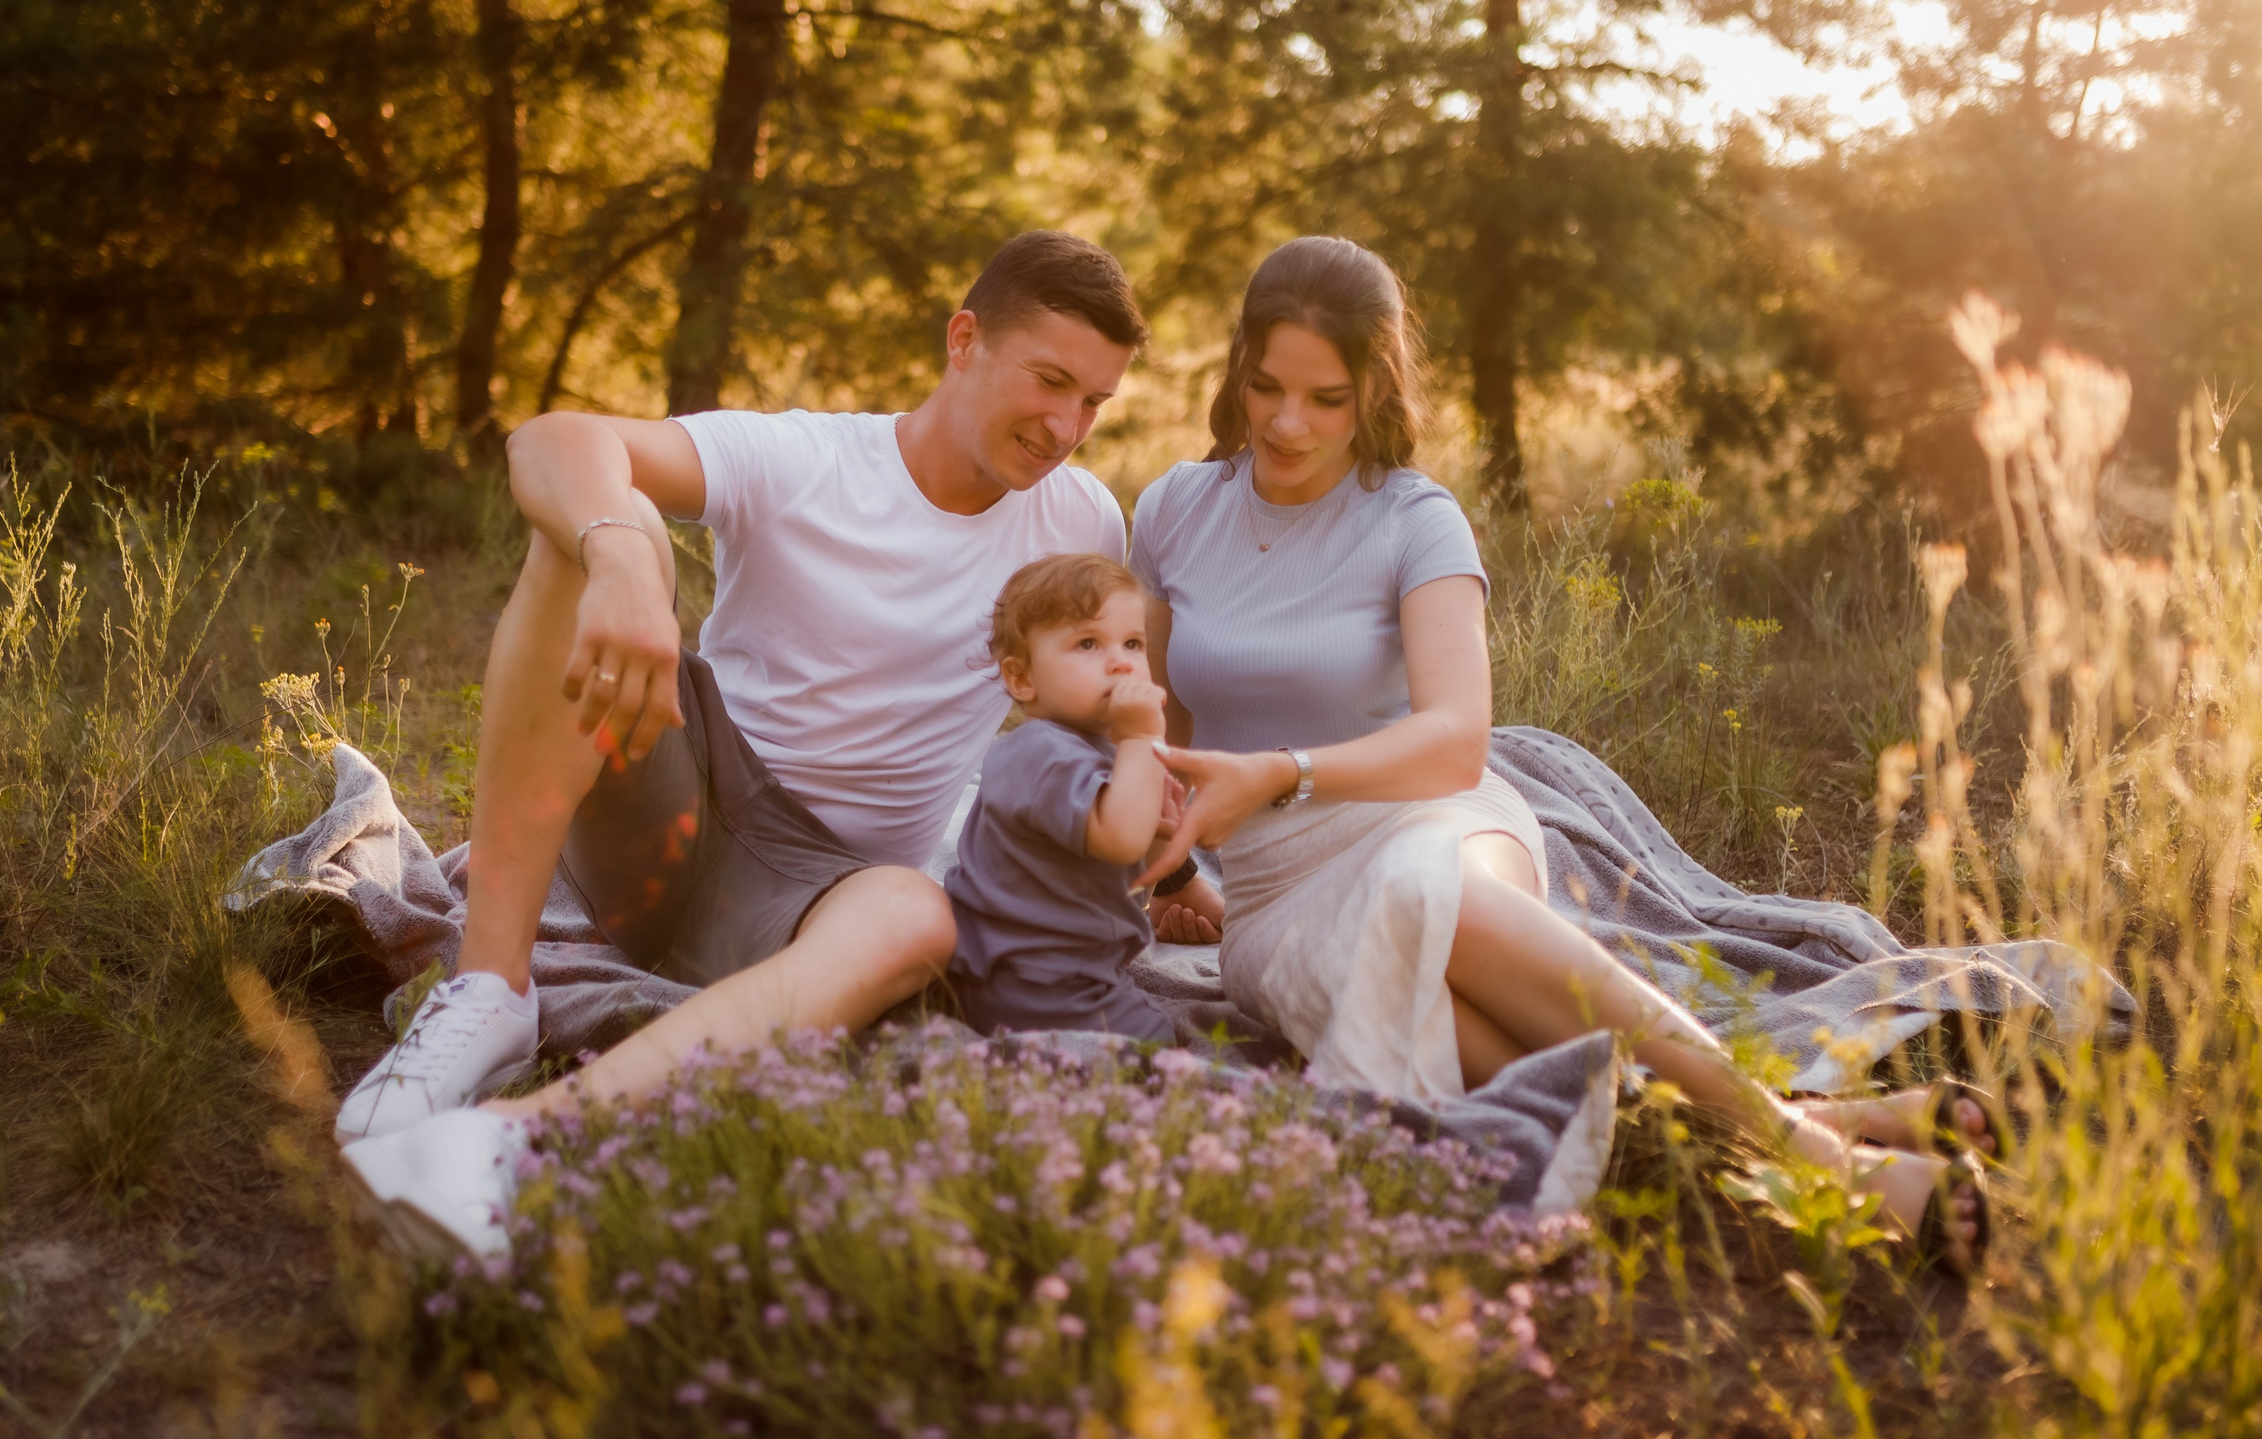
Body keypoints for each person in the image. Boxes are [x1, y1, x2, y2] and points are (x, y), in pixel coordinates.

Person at [336, 230, 1222, 1263]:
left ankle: (500, 1147)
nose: (1067, 427)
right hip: (677, 795)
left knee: (916, 918)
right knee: (584, 528)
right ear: (965, 339)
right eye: (1051, 382)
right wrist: (625, 556)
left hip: (815, 889)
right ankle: (490, 993)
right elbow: (554, 441)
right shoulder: (808, 457)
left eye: (1095, 405)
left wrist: (1170, 865)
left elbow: (1096, 714)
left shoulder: (1081, 522)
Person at [1128, 235, 1993, 1277]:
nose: (1284, 422)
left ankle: (1810, 1161)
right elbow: (1156, 716)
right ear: (1236, 369)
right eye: (1264, 386)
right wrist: (1171, 863)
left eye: (1324, 398)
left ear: (1373, 389)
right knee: (1430, 1005)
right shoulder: (1176, 507)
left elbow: (1452, 743)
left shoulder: (1413, 520)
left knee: (1419, 887)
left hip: (1425, 817)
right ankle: (1820, 1121)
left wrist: (1282, 771)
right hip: (1276, 895)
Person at [940, 553, 1180, 1044]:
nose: (1120, 661)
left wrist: (1159, 827)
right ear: (1022, 678)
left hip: (1055, 968)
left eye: (1133, 643)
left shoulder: (1095, 750)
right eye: (1087, 643)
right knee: (1156, 1044)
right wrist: (1140, 740)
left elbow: (1134, 875)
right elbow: (1118, 840)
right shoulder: (1042, 752)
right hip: (1037, 980)